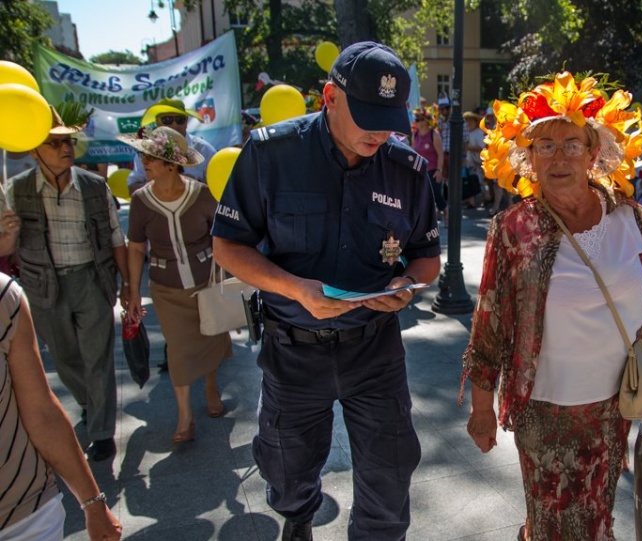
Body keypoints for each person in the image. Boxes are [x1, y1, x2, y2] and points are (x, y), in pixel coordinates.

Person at [211, 41, 441, 541]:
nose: (380, 132)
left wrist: (406, 283)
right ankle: (298, 515)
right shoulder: (271, 153)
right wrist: (294, 288)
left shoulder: (406, 171)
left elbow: (426, 256)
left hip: (374, 348)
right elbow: (228, 246)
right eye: (368, 116)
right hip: (293, 347)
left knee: (391, 472)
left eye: (390, 119)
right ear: (329, 97)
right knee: (285, 467)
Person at [462, 72, 642, 541]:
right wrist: (482, 406)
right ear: (528, 159)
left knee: (596, 514)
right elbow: (488, 325)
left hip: (614, 407)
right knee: (554, 521)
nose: (558, 157)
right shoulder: (514, 229)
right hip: (545, 409)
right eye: (544, 146)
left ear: (594, 154)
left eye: (571, 143)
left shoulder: (629, 216)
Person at [3, 107, 130, 463]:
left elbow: (117, 238)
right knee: (64, 357)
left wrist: (129, 286)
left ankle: (102, 431)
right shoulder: (16, 189)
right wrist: (9, 234)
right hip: (43, 286)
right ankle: (91, 404)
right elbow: (5, 251)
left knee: (98, 357)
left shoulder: (94, 185)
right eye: (54, 143)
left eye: (67, 142)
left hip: (91, 279)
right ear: (34, 150)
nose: (65, 149)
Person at [118, 127, 231, 444]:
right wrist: (133, 291)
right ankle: (185, 415)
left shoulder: (203, 193)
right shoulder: (141, 200)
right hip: (166, 288)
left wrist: (226, 274)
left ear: (171, 164)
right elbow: (137, 247)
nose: (143, 162)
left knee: (211, 335)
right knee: (178, 349)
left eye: (149, 157)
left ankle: (211, 387)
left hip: (205, 282)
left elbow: (221, 235)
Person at [0, 272, 122, 540]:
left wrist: (93, 504)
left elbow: (41, 412)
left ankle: (101, 428)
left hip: (26, 515)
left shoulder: (4, 297)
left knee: (94, 360)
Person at [127, 98, 218, 194]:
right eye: (167, 120)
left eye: (180, 120)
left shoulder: (205, 150)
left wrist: (191, 186)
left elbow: (221, 189)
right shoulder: (145, 151)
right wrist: (158, 185)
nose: (174, 125)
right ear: (158, 123)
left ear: (186, 122)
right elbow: (132, 188)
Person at [411, 108, 446, 222]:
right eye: (417, 119)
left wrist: (439, 170)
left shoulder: (433, 134)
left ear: (426, 121)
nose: (418, 122)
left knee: (435, 194)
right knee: (420, 195)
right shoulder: (415, 135)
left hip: (432, 170)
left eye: (421, 119)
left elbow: (440, 154)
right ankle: (426, 219)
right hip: (419, 170)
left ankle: (446, 213)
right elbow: (413, 152)